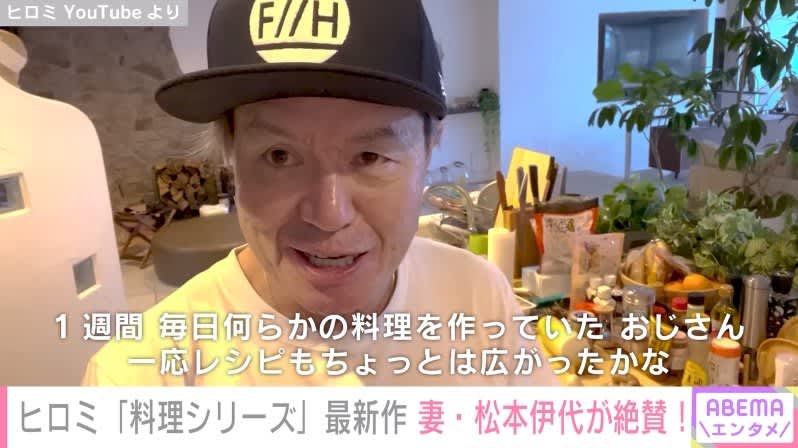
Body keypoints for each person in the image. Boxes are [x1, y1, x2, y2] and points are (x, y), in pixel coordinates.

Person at [81, 0, 557, 386]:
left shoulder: (477, 294)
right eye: (279, 156)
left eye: (370, 156)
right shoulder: (141, 377)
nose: (329, 215)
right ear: (230, 156)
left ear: (432, 144)